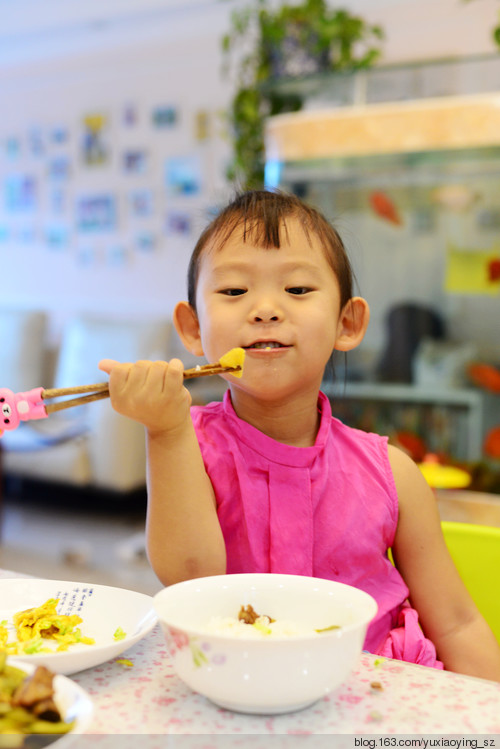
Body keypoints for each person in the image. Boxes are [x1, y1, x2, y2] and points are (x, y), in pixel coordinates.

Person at [100, 189, 500, 681]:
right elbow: (190, 577)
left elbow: (457, 625)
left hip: (377, 697)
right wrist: (164, 430)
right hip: (236, 691)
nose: (265, 309)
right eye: (233, 292)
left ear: (347, 323)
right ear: (193, 328)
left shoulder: (391, 472)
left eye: (297, 290)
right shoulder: (185, 444)